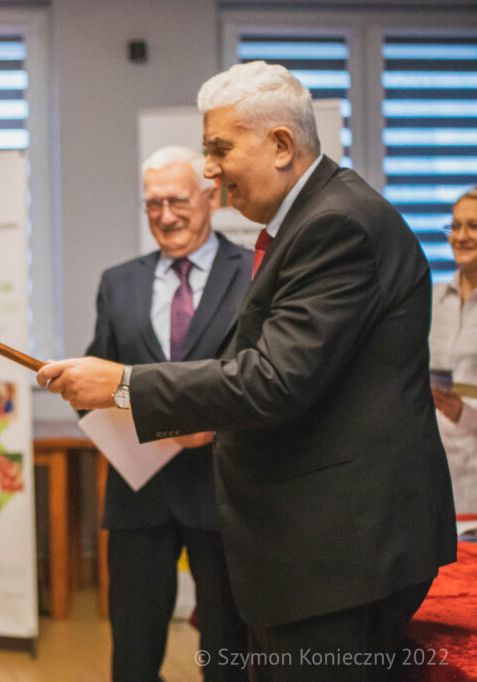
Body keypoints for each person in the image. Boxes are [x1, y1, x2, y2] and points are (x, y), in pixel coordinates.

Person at [38, 61, 457, 681]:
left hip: (339, 553)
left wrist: (126, 384)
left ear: (282, 145)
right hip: (320, 547)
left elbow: (273, 379)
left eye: (220, 149)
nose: (211, 169)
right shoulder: (316, 218)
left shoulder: (334, 224)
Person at [88, 145, 249, 682]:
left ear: (210, 197)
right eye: (152, 204)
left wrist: (215, 427)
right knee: (132, 653)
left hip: (227, 491)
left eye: (177, 200)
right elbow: (100, 381)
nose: (165, 216)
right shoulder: (118, 283)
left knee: (228, 651)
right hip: (141, 495)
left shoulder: (255, 272)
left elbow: (269, 378)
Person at [431, 187, 477, 513]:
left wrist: (466, 412)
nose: (460, 236)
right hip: (434, 465)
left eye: (473, 226)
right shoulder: (431, 298)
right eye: (455, 226)